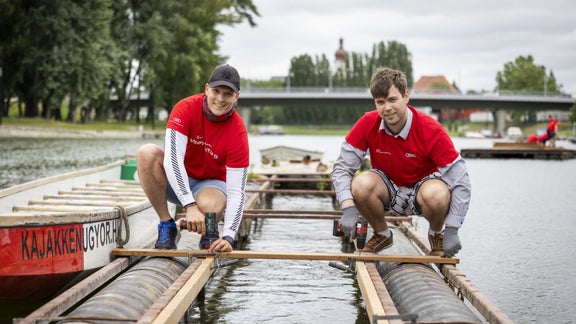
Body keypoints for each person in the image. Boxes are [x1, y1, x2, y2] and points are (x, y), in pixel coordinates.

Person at [332, 67, 471, 257]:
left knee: (438, 194)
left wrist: (453, 228)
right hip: (387, 189)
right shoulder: (366, 123)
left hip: (424, 190)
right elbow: (342, 169)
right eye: (380, 102)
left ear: (406, 96)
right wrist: (348, 208)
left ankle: (436, 234)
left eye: (392, 100)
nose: (387, 108)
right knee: (360, 184)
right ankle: (382, 234)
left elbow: (461, 181)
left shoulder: (431, 130)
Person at [136, 64, 249, 252]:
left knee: (211, 204)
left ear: (236, 97)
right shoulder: (185, 108)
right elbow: (172, 161)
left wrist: (229, 236)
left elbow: (237, 191)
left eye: (228, 94)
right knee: (146, 153)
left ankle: (210, 233)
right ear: (206, 89)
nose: (220, 99)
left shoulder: (238, 132)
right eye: (216, 91)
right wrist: (189, 206)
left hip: (210, 187)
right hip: (176, 180)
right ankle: (167, 226)